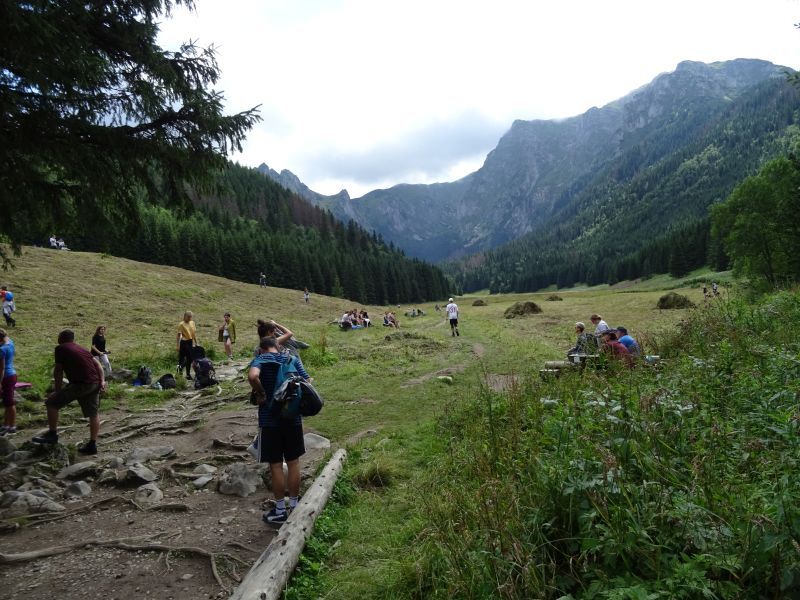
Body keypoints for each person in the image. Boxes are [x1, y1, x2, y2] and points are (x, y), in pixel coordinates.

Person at [248, 336, 311, 525]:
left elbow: (252, 376)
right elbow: (307, 381)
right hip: (292, 419)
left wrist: (261, 393)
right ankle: (294, 505)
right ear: (277, 346)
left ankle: (281, 510)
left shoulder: (260, 359)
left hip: (270, 421)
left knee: (275, 465)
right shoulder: (291, 358)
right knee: (294, 463)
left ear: (262, 348)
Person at [32, 330, 106, 454]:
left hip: (81, 384)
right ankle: (92, 445)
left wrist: (57, 391)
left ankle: (52, 435)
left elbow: (58, 371)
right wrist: (102, 381)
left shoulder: (61, 348)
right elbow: (98, 365)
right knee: (93, 414)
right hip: (95, 383)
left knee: (51, 403)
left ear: (61, 338)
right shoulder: (82, 348)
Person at [0, 329, 18, 435]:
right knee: (7, 402)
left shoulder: (1, 350)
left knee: (10, 402)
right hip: (12, 375)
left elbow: (1, 368)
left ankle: (12, 426)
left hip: (6, 377)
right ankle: (6, 425)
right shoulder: (10, 342)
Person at [176, 311, 198, 379]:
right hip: (184, 342)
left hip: (190, 342)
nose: (189, 318)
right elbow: (178, 335)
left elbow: (193, 333)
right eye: (188, 317)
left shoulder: (192, 323)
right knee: (181, 359)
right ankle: (179, 374)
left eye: (191, 317)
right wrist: (178, 345)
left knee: (190, 358)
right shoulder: (181, 324)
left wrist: (196, 342)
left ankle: (187, 374)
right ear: (185, 316)